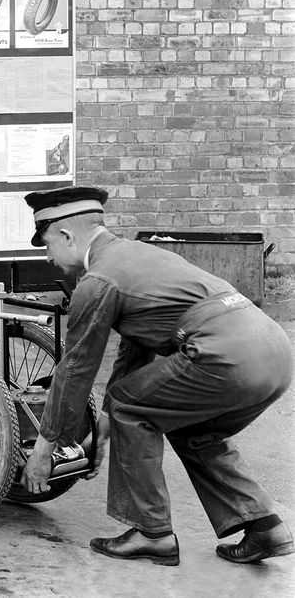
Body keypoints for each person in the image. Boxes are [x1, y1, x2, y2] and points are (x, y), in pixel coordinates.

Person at [20, 185, 293, 566]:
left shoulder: (97, 281)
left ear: (66, 235)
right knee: (193, 429)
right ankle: (264, 527)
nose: (47, 257)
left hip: (225, 355)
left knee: (130, 408)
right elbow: (134, 356)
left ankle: (152, 532)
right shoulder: (138, 254)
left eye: (46, 244)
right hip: (273, 352)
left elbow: (76, 369)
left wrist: (45, 448)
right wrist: (101, 430)